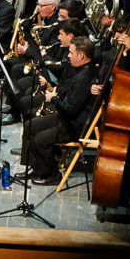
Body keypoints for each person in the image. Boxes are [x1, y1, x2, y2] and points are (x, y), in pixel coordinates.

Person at [24, 38, 99, 185]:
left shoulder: (83, 77)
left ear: (81, 55)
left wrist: (54, 99)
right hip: (67, 118)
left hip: (75, 126)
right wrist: (56, 91)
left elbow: (70, 109)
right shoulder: (83, 70)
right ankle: (36, 168)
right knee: (29, 125)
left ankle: (52, 174)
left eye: (71, 53)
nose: (68, 56)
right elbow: (70, 96)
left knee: (40, 139)